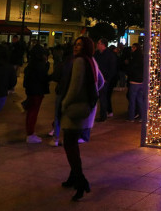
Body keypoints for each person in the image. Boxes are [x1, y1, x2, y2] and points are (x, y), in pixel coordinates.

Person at [60, 36, 105, 201]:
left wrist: (65, 103)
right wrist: (91, 93)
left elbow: (74, 87)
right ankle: (73, 178)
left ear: (86, 47)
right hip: (86, 108)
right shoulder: (91, 60)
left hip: (75, 110)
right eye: (75, 44)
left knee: (70, 145)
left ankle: (81, 182)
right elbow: (100, 81)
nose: (76, 47)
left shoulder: (79, 61)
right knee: (73, 145)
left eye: (80, 45)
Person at [23, 45, 51, 143]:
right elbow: (43, 77)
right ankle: (30, 134)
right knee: (33, 112)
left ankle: (30, 133)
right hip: (37, 92)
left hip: (32, 91)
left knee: (31, 112)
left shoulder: (31, 65)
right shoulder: (40, 65)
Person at [94, 38, 118, 121]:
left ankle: (103, 116)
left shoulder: (109, 55)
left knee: (103, 98)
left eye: (98, 43)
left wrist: (107, 79)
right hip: (96, 79)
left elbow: (112, 69)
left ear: (103, 45)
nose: (97, 45)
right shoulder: (96, 54)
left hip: (104, 80)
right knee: (95, 97)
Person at [123, 42, 147, 122]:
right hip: (141, 81)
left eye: (133, 48)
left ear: (135, 48)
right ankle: (142, 116)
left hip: (134, 80)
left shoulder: (134, 58)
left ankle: (131, 117)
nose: (132, 49)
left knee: (132, 99)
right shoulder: (142, 57)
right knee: (139, 99)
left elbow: (131, 69)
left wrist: (128, 66)